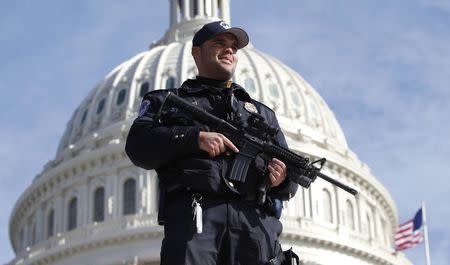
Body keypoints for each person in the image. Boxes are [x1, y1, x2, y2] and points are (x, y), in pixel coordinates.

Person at [125, 20, 298, 265]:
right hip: (196, 219)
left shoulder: (261, 114)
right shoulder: (166, 102)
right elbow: (137, 146)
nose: (229, 50)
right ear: (196, 52)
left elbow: (288, 176)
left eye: (234, 47)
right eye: (219, 43)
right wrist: (193, 138)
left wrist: (281, 178)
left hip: (253, 223)